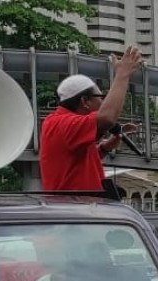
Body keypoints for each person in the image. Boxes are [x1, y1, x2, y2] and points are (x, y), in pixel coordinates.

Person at [40, 47, 143, 193]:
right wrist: (123, 74)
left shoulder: (61, 123)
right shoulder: (64, 124)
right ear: (85, 101)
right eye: (100, 97)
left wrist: (105, 148)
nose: (103, 102)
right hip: (76, 205)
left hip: (79, 204)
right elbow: (107, 117)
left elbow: (76, 163)